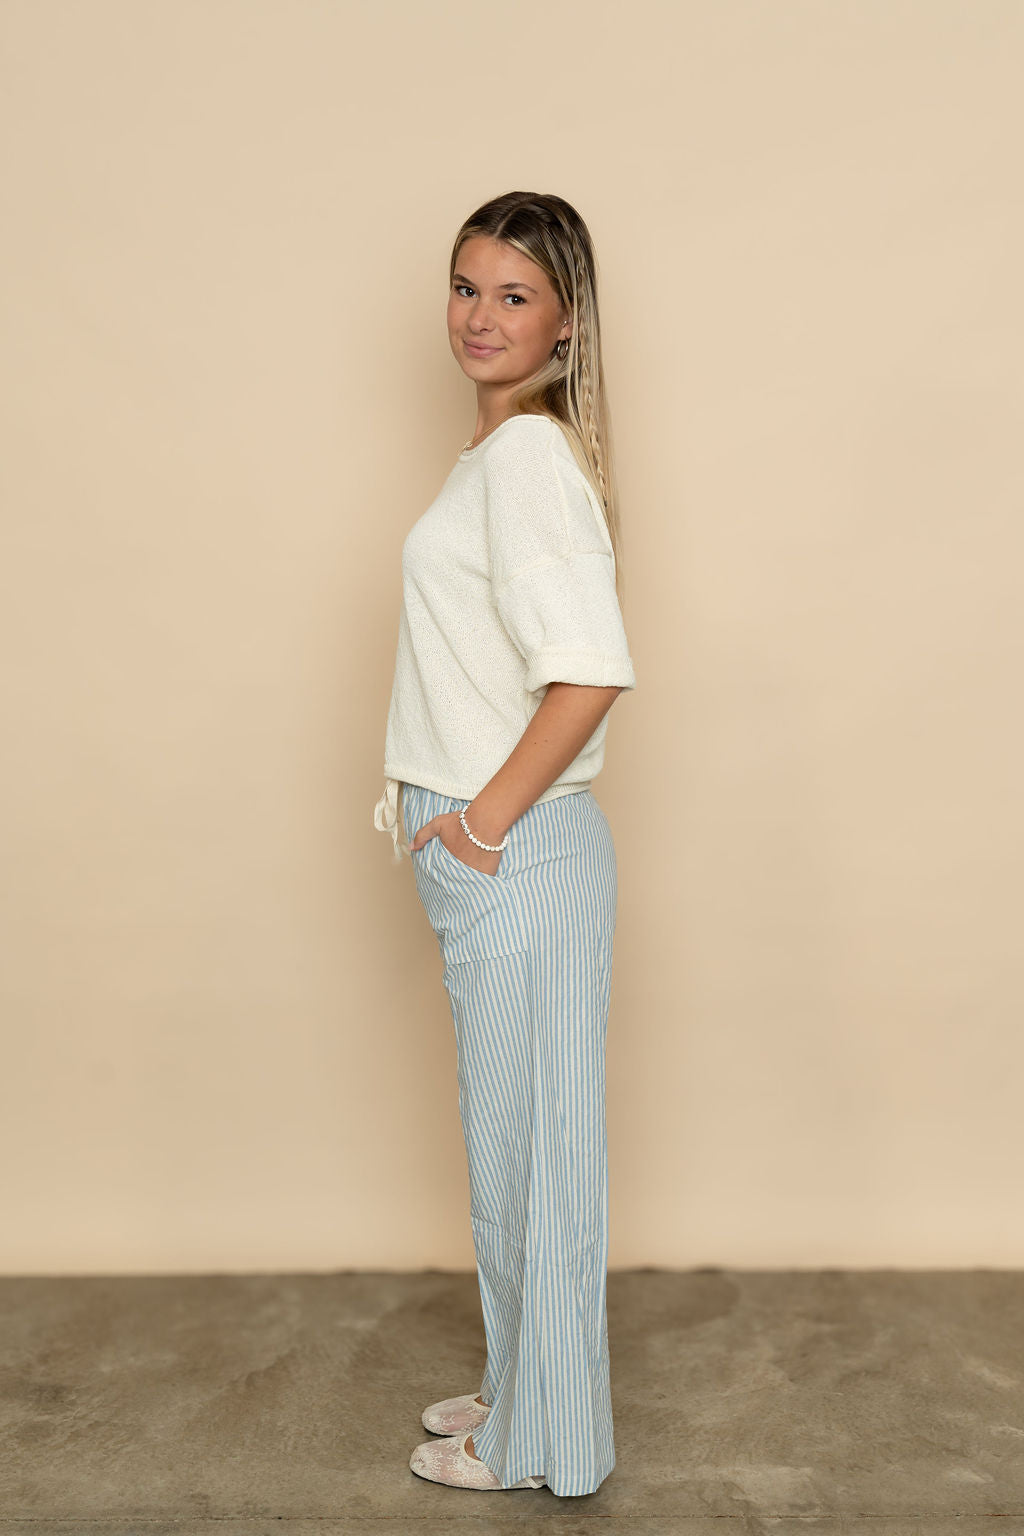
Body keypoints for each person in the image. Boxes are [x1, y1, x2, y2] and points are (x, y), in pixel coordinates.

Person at [371, 191, 637, 1498]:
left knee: (534, 1163)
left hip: (516, 856)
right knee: (515, 1152)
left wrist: (474, 827)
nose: (481, 317)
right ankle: (522, 1384)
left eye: (515, 295)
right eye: (468, 287)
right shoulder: (494, 458)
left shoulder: (528, 461)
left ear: (566, 322)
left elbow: (586, 676)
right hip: (496, 860)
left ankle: (539, 1441)